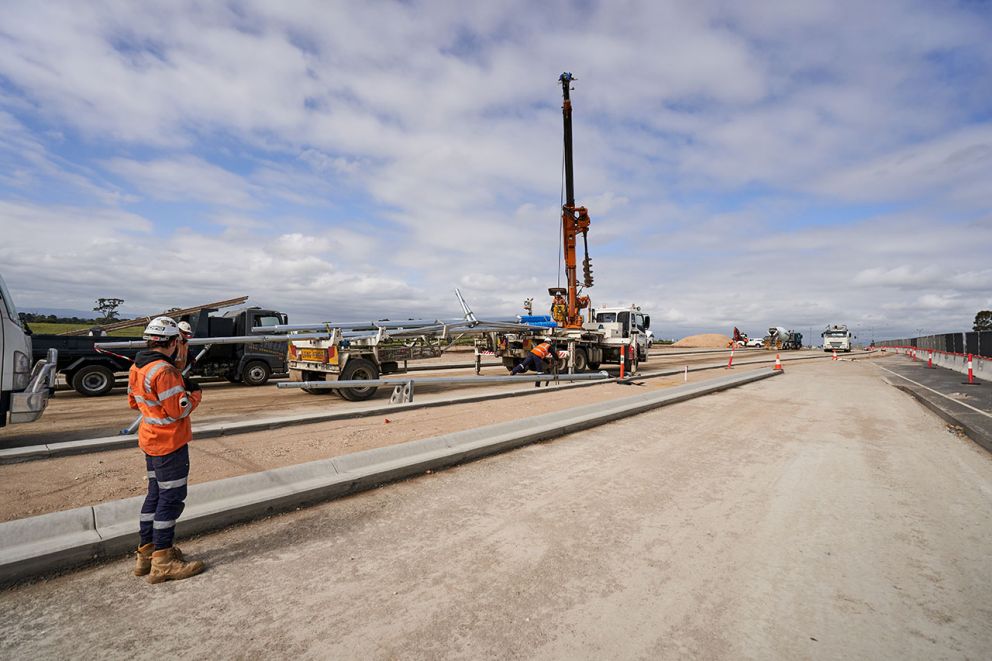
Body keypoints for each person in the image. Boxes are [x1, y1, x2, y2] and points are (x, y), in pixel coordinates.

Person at [128, 316, 205, 583]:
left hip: (150, 440)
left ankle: (146, 554)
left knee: (154, 495)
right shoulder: (165, 371)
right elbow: (178, 410)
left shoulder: (138, 367)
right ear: (173, 342)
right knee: (170, 500)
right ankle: (163, 561)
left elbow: (133, 402)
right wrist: (194, 395)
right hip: (169, 443)